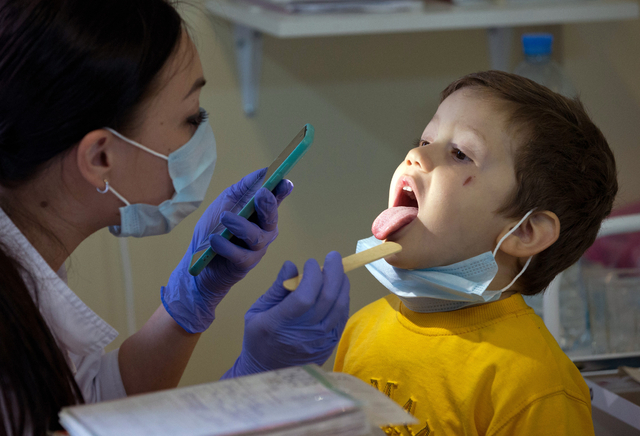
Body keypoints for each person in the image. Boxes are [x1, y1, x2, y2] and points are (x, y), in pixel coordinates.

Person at [0, 1, 349, 434]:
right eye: (191, 117)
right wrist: (258, 386)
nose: (201, 137)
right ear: (100, 157)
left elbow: (86, 400)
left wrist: (189, 301)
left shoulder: (24, 268)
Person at [333, 70, 617, 435]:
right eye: (425, 139)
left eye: (460, 154)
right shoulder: (360, 330)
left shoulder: (535, 386)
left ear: (524, 231)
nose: (416, 154)